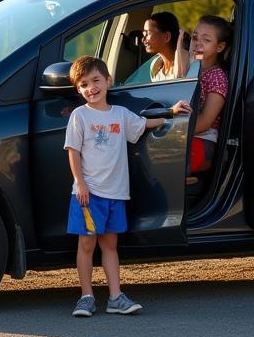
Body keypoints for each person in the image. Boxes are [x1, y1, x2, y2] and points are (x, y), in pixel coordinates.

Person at [64, 55, 190, 317]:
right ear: (79, 90)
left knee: (110, 246)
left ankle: (115, 297)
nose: (91, 88)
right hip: (89, 195)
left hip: (116, 194)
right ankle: (86, 297)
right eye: (84, 84)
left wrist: (172, 112)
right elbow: (73, 152)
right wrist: (80, 183)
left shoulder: (121, 115)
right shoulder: (80, 116)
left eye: (96, 80)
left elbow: (145, 124)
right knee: (86, 245)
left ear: (108, 81)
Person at [189, 15, 233, 174]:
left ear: (219, 47)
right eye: (195, 38)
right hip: (187, 137)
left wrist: (173, 133)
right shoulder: (192, 70)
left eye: (206, 40)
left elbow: (205, 121)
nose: (197, 44)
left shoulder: (217, 77)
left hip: (203, 142)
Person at [142, 12, 190, 82]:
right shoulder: (155, 67)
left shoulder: (186, 65)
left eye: (148, 33)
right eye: (144, 34)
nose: (143, 39)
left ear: (166, 37)